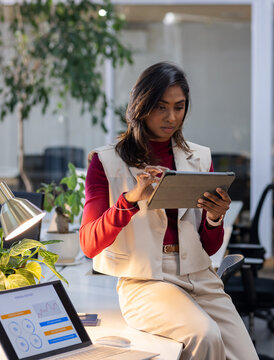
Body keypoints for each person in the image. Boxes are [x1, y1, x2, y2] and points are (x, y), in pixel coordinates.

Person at [80, 62, 258, 360]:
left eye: (179, 107)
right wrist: (131, 200)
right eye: (161, 107)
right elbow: (89, 244)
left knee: (246, 356)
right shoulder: (106, 163)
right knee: (205, 335)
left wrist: (215, 217)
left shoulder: (200, 159)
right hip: (146, 283)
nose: (172, 117)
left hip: (199, 276)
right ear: (142, 106)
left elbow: (210, 246)